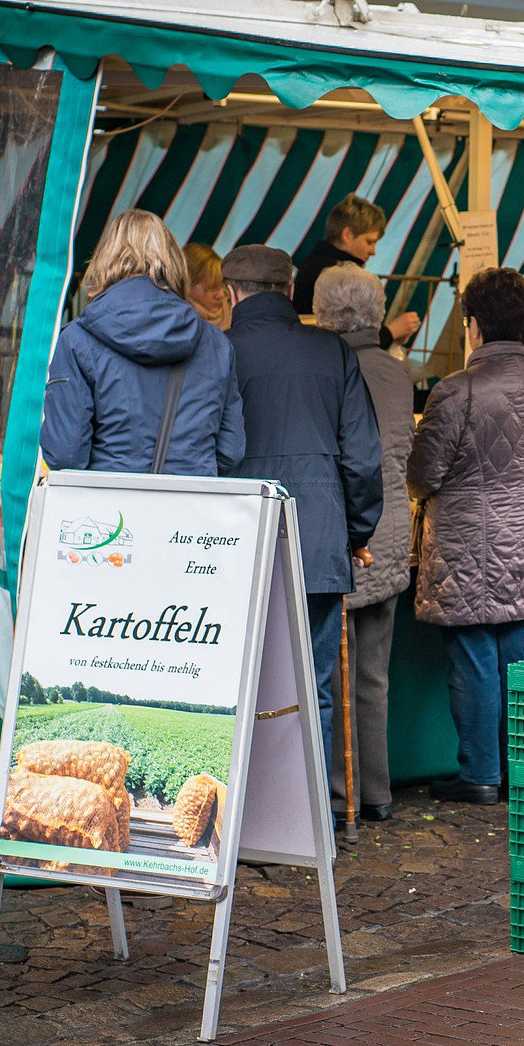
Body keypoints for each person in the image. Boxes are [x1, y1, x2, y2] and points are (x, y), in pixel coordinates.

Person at [223, 245, 384, 786]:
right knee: (312, 686)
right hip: (316, 539)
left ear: (229, 294)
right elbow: (363, 456)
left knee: (233, 682)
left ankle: (243, 821)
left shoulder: (216, 353)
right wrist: (356, 532)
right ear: (290, 291)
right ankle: (309, 821)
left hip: (230, 545)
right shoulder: (332, 353)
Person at [409, 268, 524, 804]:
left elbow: (423, 476)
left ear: (473, 326)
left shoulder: (455, 391)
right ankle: (522, 771)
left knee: (473, 661)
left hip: (467, 548)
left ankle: (479, 775)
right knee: (521, 660)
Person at [312, 264, 413, 824]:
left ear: (325, 315)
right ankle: (376, 791)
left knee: (331, 672)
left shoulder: (328, 369)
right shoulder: (397, 375)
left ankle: (339, 793)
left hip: (349, 535)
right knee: (373, 675)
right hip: (394, 534)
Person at [41, 210, 244, 476]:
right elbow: (231, 450)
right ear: (173, 260)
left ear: (105, 259)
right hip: (192, 510)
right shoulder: (216, 343)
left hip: (111, 511)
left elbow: (66, 454)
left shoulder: (77, 340)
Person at [293, 195, 422, 347]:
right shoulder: (335, 274)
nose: (373, 251)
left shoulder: (313, 265)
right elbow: (348, 339)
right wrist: (391, 332)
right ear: (348, 234)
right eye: (369, 242)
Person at [183, 242, 231, 330]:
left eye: (222, 286)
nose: (221, 295)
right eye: (212, 289)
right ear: (187, 286)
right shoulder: (176, 324)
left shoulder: (238, 315)